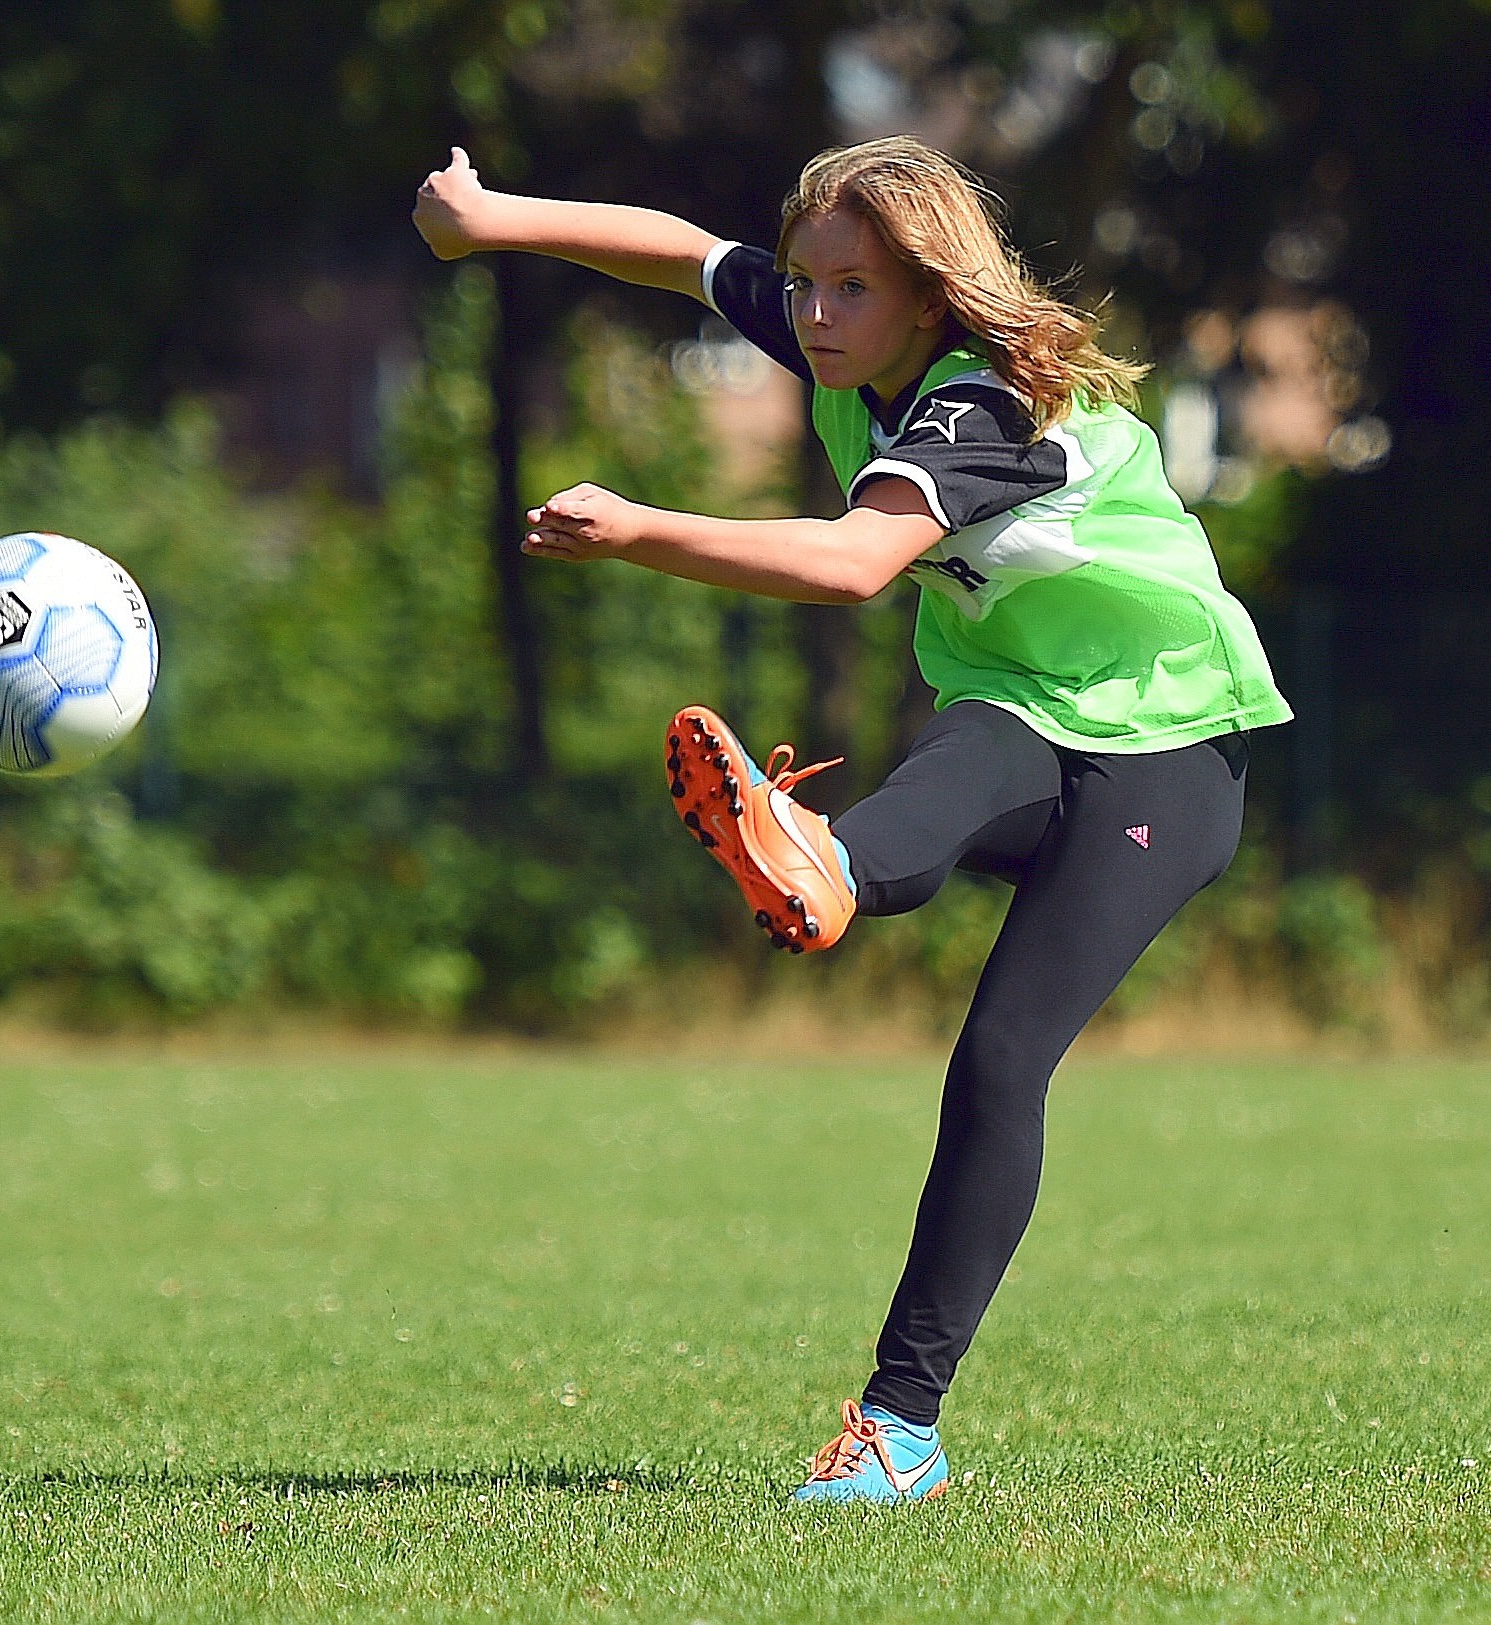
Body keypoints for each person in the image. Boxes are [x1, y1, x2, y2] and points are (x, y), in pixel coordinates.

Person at [412, 138, 1292, 1504]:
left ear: (930, 295)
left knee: (1000, 1057)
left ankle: (899, 1433)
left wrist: (640, 524)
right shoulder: (841, 342)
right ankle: (825, 864)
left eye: (852, 289)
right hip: (1024, 701)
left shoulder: (981, 408)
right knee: (961, 754)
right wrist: (487, 219)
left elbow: (851, 564)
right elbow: (677, 249)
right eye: (808, 283)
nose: (814, 314)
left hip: (1170, 744)